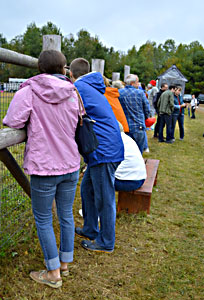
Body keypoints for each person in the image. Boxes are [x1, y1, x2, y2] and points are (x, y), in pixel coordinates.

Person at [3, 50, 81, 288]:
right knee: (66, 213)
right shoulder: (73, 91)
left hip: (45, 167)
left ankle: (53, 272)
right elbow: (78, 120)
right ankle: (65, 263)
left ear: (39, 67)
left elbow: (13, 121)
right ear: (63, 68)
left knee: (44, 218)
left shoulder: (30, 91)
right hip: (70, 163)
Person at [69, 58, 124, 253]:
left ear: (70, 74)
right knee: (87, 189)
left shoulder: (78, 87)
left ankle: (106, 242)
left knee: (104, 198)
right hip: (105, 148)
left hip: (103, 151)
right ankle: (90, 228)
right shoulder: (90, 86)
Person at [118, 74, 150, 153]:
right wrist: (146, 118)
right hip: (138, 126)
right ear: (132, 83)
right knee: (138, 152)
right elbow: (147, 109)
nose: (138, 84)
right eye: (137, 82)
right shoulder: (140, 93)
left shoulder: (119, 93)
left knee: (126, 152)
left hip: (124, 127)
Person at [115, 122, 146, 191]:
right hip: (140, 178)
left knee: (95, 180)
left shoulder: (115, 141)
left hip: (127, 182)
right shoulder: (126, 138)